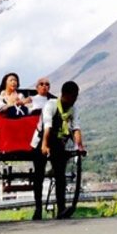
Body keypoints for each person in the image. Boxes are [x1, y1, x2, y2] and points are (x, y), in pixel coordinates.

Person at [31, 80, 84, 220]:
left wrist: (79, 146)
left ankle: (61, 208)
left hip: (59, 143)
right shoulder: (51, 105)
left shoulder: (73, 109)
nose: (74, 100)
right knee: (39, 175)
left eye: (76, 96)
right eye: (72, 96)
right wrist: (44, 146)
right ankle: (37, 208)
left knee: (60, 175)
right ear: (64, 95)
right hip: (42, 139)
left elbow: (76, 128)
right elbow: (47, 126)